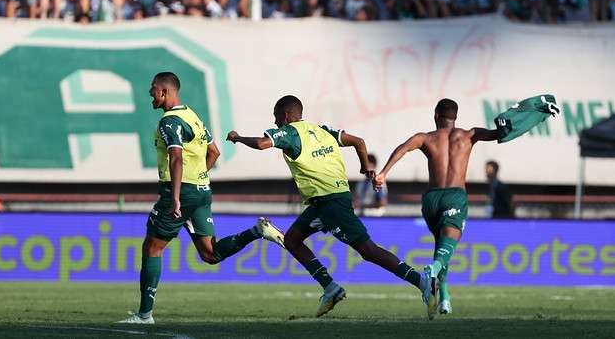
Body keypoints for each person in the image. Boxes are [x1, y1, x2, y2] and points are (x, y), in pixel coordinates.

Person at [227, 95, 431, 318]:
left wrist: (238, 138)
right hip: (324, 202)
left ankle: (421, 282)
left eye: (276, 117)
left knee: (368, 251)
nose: (275, 122)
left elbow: (260, 144)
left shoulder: (289, 132)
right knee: (292, 240)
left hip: (331, 202)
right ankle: (330, 288)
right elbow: (359, 142)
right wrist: (365, 168)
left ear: (285, 116)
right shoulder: (323, 130)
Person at [118, 72, 285, 325]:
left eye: (153, 89)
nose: (150, 93)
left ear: (164, 92)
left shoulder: (169, 122)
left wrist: (175, 197)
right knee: (210, 255)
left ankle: (144, 315)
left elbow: (175, 158)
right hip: (201, 191)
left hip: (179, 192)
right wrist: (198, 179)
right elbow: (214, 152)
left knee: (152, 247)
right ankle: (257, 231)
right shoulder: (193, 117)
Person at [374, 99, 500, 318]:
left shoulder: (426, 138)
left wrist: (383, 173)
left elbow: (402, 148)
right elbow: (498, 134)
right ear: (456, 117)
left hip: (431, 200)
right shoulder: (469, 134)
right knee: (445, 250)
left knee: (441, 246)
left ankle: (444, 298)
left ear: (436, 115)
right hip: (454, 196)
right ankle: (433, 270)